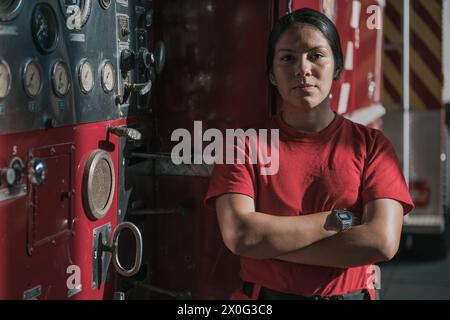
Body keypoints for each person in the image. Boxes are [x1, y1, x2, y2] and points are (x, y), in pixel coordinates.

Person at [204, 8, 414, 300]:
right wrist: (340, 220)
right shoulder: (242, 146)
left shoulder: (372, 147)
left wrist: (271, 249)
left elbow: (381, 242)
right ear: (272, 74)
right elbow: (241, 235)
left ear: (338, 68)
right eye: (287, 57)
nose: (302, 69)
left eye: (316, 55)